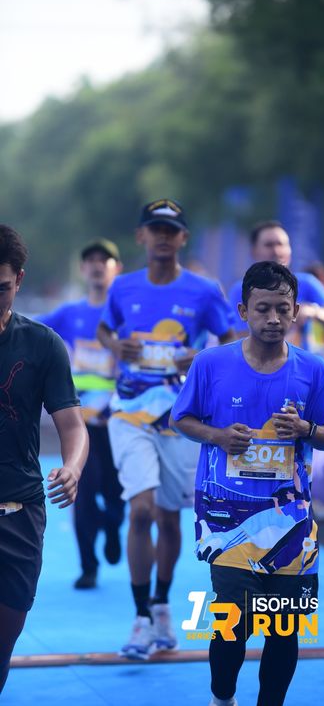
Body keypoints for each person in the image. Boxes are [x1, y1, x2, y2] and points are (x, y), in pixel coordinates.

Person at [170, 261, 324, 706]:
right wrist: (218, 436)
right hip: (227, 522)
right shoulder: (210, 364)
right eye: (263, 308)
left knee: (285, 630)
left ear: (296, 312)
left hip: (292, 525)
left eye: (282, 309)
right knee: (234, 624)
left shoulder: (315, 370)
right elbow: (181, 419)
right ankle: (223, 697)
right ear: (243, 311)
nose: (273, 318)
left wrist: (306, 429)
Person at [97, 198, 235, 659]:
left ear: (183, 238)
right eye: (154, 228)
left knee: (170, 517)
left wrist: (200, 357)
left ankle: (160, 603)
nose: (162, 236)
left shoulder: (204, 290)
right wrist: (117, 346)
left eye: (170, 230)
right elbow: (105, 331)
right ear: (141, 236)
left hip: (182, 418)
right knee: (140, 511)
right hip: (130, 413)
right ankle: (140, 617)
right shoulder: (123, 287)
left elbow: (230, 340)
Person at [0, 225, 88, 694]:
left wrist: (72, 469)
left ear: (19, 280)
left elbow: (72, 427)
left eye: (0, 288)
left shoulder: (42, 344)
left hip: (19, 512)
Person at [37, 238, 125, 590]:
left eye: (105, 260)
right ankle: (88, 567)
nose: (97, 265)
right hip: (81, 420)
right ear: (82, 268)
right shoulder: (69, 313)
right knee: (83, 493)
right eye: (91, 260)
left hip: (118, 421)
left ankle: (113, 526)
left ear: (116, 268)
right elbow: (29, 329)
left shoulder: (125, 314)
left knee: (116, 493)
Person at [228, 220, 324, 348]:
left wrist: (313, 311)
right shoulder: (241, 290)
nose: (276, 251)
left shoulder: (306, 283)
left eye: (281, 244)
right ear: (254, 251)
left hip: (301, 359)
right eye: (269, 245)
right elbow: (240, 338)